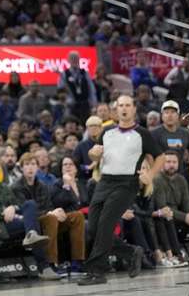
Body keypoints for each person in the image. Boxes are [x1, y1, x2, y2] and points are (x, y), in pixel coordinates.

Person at [78, 94, 164, 285]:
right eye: (120, 105)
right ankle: (132, 252)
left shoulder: (142, 133)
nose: (124, 109)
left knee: (106, 224)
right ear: (115, 109)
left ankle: (97, 271)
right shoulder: (107, 131)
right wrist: (93, 153)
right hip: (105, 181)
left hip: (126, 183)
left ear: (134, 109)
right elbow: (94, 156)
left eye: (127, 105)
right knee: (93, 228)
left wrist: (150, 175)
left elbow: (160, 157)